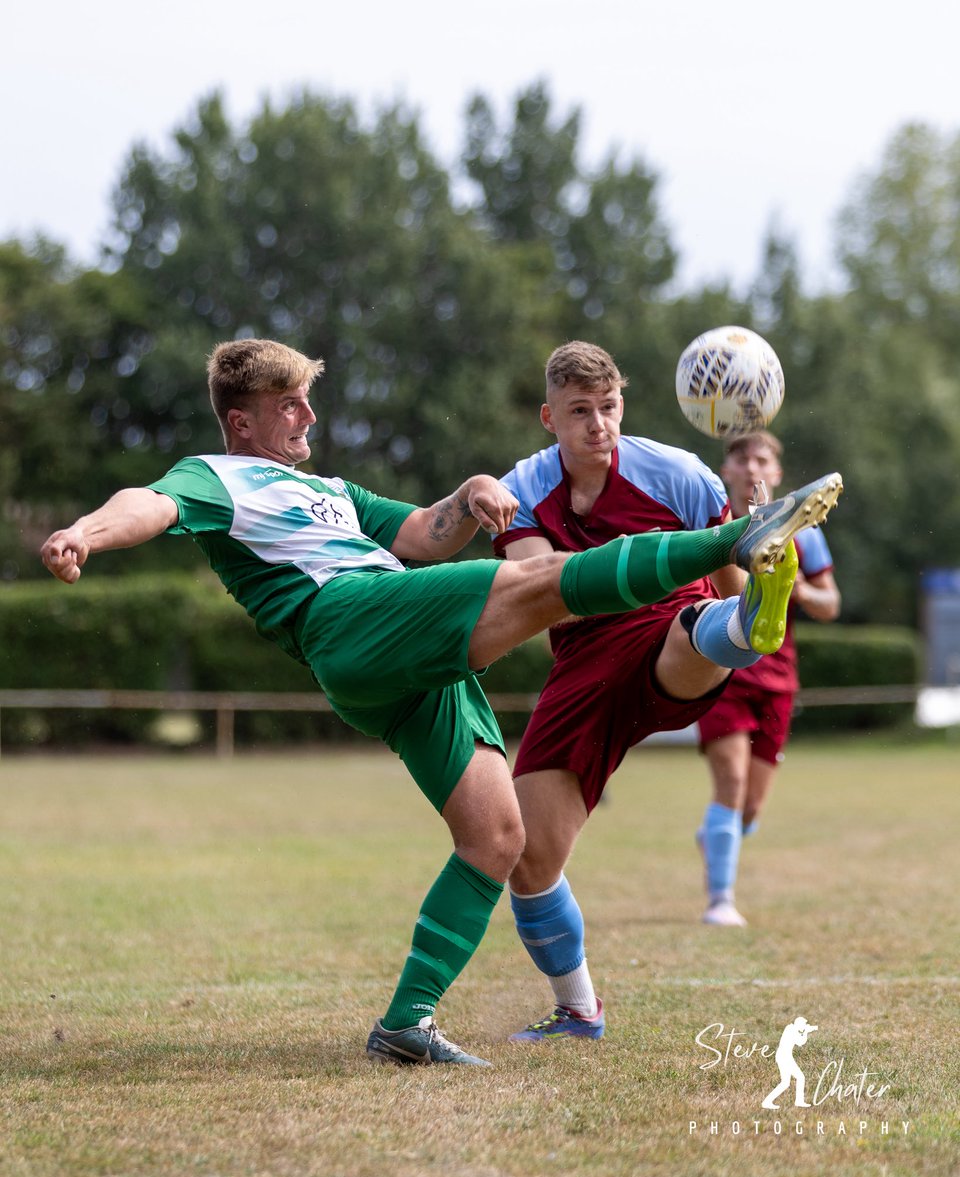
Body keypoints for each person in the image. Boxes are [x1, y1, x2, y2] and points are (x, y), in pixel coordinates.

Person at [41, 338, 840, 1068]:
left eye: (307, 400)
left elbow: (423, 534)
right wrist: (87, 530)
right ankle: (736, 540)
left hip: (397, 648)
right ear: (240, 421)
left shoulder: (327, 491)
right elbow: (147, 503)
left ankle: (406, 1024)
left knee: (500, 838)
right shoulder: (215, 474)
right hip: (350, 619)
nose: (308, 414)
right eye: (290, 404)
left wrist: (470, 492)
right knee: (541, 581)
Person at [492, 341, 841, 1045]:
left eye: (609, 408)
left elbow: (726, 582)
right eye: (580, 412)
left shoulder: (676, 473)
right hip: (582, 661)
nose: (598, 425)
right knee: (528, 857)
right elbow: (544, 589)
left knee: (698, 621)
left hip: (670, 631)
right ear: (548, 417)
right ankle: (579, 1011)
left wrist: (748, 559)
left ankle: (748, 622)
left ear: (624, 406)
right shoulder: (521, 487)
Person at [696, 430, 841, 927]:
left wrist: (794, 585)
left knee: (751, 807)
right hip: (720, 667)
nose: (752, 466)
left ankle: (721, 837)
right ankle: (720, 900)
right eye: (741, 457)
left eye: (763, 459)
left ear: (777, 474)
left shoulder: (804, 528)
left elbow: (830, 604)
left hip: (778, 676)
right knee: (731, 783)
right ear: (727, 469)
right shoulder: (710, 523)